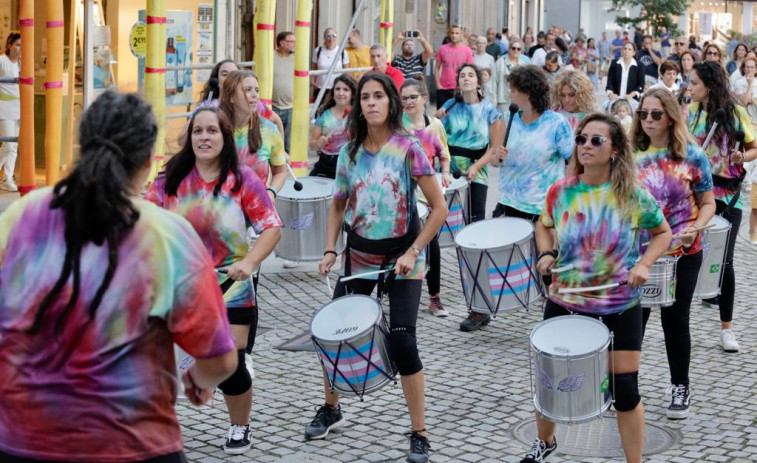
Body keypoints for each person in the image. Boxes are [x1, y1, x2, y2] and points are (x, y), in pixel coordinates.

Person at [0, 91, 238, 462]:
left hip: (21, 441)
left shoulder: (20, 217)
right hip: (134, 444)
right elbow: (222, 360)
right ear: (147, 160)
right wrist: (196, 381)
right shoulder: (166, 236)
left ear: (83, 145)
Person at [308, 72, 448, 463]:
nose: (370, 103)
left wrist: (413, 252)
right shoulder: (349, 153)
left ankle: (419, 431)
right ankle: (332, 407)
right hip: (360, 256)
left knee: (403, 340)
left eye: (378, 96)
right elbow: (337, 204)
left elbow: (439, 209)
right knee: (332, 333)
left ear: (391, 102)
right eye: (364, 97)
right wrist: (330, 250)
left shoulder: (409, 148)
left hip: (405, 255)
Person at [522, 112, 672, 463]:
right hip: (565, 302)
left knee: (626, 390)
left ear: (615, 149)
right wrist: (546, 252)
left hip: (618, 305)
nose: (585, 146)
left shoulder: (632, 196)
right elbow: (542, 224)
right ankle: (545, 442)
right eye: (581, 139)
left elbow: (663, 232)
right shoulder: (561, 191)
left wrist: (644, 263)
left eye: (595, 140)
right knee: (550, 383)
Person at [146, 106, 282, 455]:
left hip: (232, 289)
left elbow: (271, 226)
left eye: (212, 131)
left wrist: (250, 262)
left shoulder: (243, 180)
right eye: (198, 132)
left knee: (232, 365)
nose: (204, 137)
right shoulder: (169, 180)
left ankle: (240, 426)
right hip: (182, 289)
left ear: (225, 138)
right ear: (189, 138)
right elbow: (147, 227)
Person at [631, 88, 716, 420]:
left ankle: (680, 386)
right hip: (638, 252)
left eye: (656, 114)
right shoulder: (629, 153)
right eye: (643, 114)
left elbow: (708, 202)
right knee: (634, 320)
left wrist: (697, 227)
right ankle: (625, 385)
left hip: (683, 251)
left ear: (670, 116)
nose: (648, 120)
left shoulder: (693, 156)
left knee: (676, 321)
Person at [686, 61, 757, 352]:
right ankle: (680, 318)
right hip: (695, 196)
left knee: (725, 262)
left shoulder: (736, 113)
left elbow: (754, 147)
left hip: (728, 196)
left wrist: (744, 158)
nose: (688, 88)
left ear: (710, 86)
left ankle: (727, 328)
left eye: (694, 83)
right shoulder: (690, 113)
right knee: (688, 258)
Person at [493, 64, 573, 223]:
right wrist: (497, 156)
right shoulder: (509, 117)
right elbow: (495, 161)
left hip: (542, 208)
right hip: (509, 203)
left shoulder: (556, 123)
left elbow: (572, 161)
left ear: (527, 93)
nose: (510, 94)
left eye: (513, 90)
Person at [401, 78, 452, 317]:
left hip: (427, 193)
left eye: (413, 97)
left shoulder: (435, 126)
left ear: (424, 99)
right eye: (404, 98)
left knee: (431, 245)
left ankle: (435, 298)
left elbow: (444, 154)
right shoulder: (395, 126)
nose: (409, 101)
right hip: (401, 192)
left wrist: (445, 172)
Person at [435, 63, 504, 225]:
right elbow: (435, 139)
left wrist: (476, 167)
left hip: (477, 169)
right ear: (458, 82)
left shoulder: (489, 110)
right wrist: (436, 119)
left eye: (471, 75)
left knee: (476, 220)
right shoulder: (450, 105)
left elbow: (494, 147)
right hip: (448, 169)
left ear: (479, 83)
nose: (466, 78)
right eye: (462, 76)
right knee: (444, 221)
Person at [219, 70, 287, 198]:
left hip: (257, 206)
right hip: (221, 210)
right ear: (231, 97)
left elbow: (280, 172)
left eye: (257, 90)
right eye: (248, 89)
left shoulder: (269, 130)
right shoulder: (215, 128)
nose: (255, 95)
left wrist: (271, 192)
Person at [309, 74, 356, 179]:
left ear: (352, 94)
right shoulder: (324, 115)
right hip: (325, 163)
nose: (341, 93)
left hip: (348, 164)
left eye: (346, 90)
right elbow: (312, 146)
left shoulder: (358, 115)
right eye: (337, 89)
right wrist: (318, 144)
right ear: (333, 93)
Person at [434, 25, 474, 108]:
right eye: (452, 33)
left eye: (457, 33)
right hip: (443, 89)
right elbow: (437, 68)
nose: (454, 35)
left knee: (459, 117)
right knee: (441, 116)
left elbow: (470, 70)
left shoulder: (467, 50)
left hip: (460, 88)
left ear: (461, 35)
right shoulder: (443, 49)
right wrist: (438, 84)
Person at [0, 32, 20, 192]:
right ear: (9, 45)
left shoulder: (21, 63)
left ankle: (7, 178)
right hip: (4, 109)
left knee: (13, 147)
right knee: (8, 144)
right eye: (18, 45)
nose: (20, 48)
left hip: (19, 109)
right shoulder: (1, 60)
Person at [492, 38, 531, 116]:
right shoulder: (500, 62)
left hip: (518, 100)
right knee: (503, 123)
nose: (516, 50)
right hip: (503, 99)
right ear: (509, 49)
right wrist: (494, 100)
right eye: (513, 48)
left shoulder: (523, 65)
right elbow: (493, 82)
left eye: (518, 49)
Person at [312, 28, 349, 104]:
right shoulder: (318, 51)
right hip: (321, 88)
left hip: (337, 89)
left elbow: (346, 72)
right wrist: (312, 81)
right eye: (328, 36)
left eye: (333, 36)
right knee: (320, 112)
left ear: (336, 37)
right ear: (324, 37)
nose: (331, 38)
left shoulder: (342, 51)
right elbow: (314, 68)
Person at [273, 31, 295, 152]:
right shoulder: (270, 57)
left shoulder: (296, 60)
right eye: (291, 41)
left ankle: (287, 170)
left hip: (291, 107)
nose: (294, 44)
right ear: (282, 43)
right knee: (274, 142)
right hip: (274, 107)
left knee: (288, 145)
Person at [606, 42, 645, 110]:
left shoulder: (639, 65)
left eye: (630, 49)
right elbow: (609, 82)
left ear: (634, 53)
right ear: (622, 51)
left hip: (631, 100)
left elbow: (641, 84)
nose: (627, 51)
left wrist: (630, 95)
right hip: (616, 100)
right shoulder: (614, 63)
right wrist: (611, 94)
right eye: (625, 49)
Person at [731, 56, 757, 123]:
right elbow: (745, 101)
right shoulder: (738, 83)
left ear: (756, 69)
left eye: (752, 67)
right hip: (746, 120)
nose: (749, 69)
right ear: (744, 69)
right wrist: (750, 84)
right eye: (747, 67)